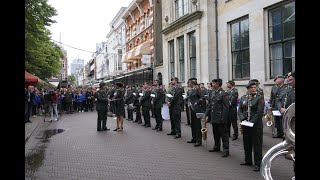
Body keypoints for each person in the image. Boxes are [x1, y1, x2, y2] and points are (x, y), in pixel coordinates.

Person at [238, 81, 265, 172]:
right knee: (247, 143)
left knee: (257, 145)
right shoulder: (243, 98)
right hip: (245, 124)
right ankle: (248, 160)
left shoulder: (259, 98)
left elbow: (259, 112)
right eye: (251, 88)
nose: (253, 89)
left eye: (254, 87)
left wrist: (251, 122)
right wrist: (242, 119)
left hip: (256, 125)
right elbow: (240, 110)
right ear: (248, 89)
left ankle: (258, 163)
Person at [205, 78, 230, 157]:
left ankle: (226, 150)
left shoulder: (223, 93)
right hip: (214, 117)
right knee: (215, 133)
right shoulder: (213, 93)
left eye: (214, 83)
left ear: (218, 84)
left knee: (224, 135)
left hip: (221, 118)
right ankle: (217, 146)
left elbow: (226, 107)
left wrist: (223, 118)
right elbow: (210, 105)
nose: (212, 85)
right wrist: (206, 114)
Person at [186, 78, 206, 147]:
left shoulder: (197, 89)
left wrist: (197, 102)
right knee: (193, 124)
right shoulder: (190, 90)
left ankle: (198, 140)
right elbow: (189, 98)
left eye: (189, 83)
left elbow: (202, 97)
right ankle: (194, 138)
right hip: (191, 109)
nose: (188, 84)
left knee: (197, 125)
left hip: (196, 109)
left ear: (192, 83)